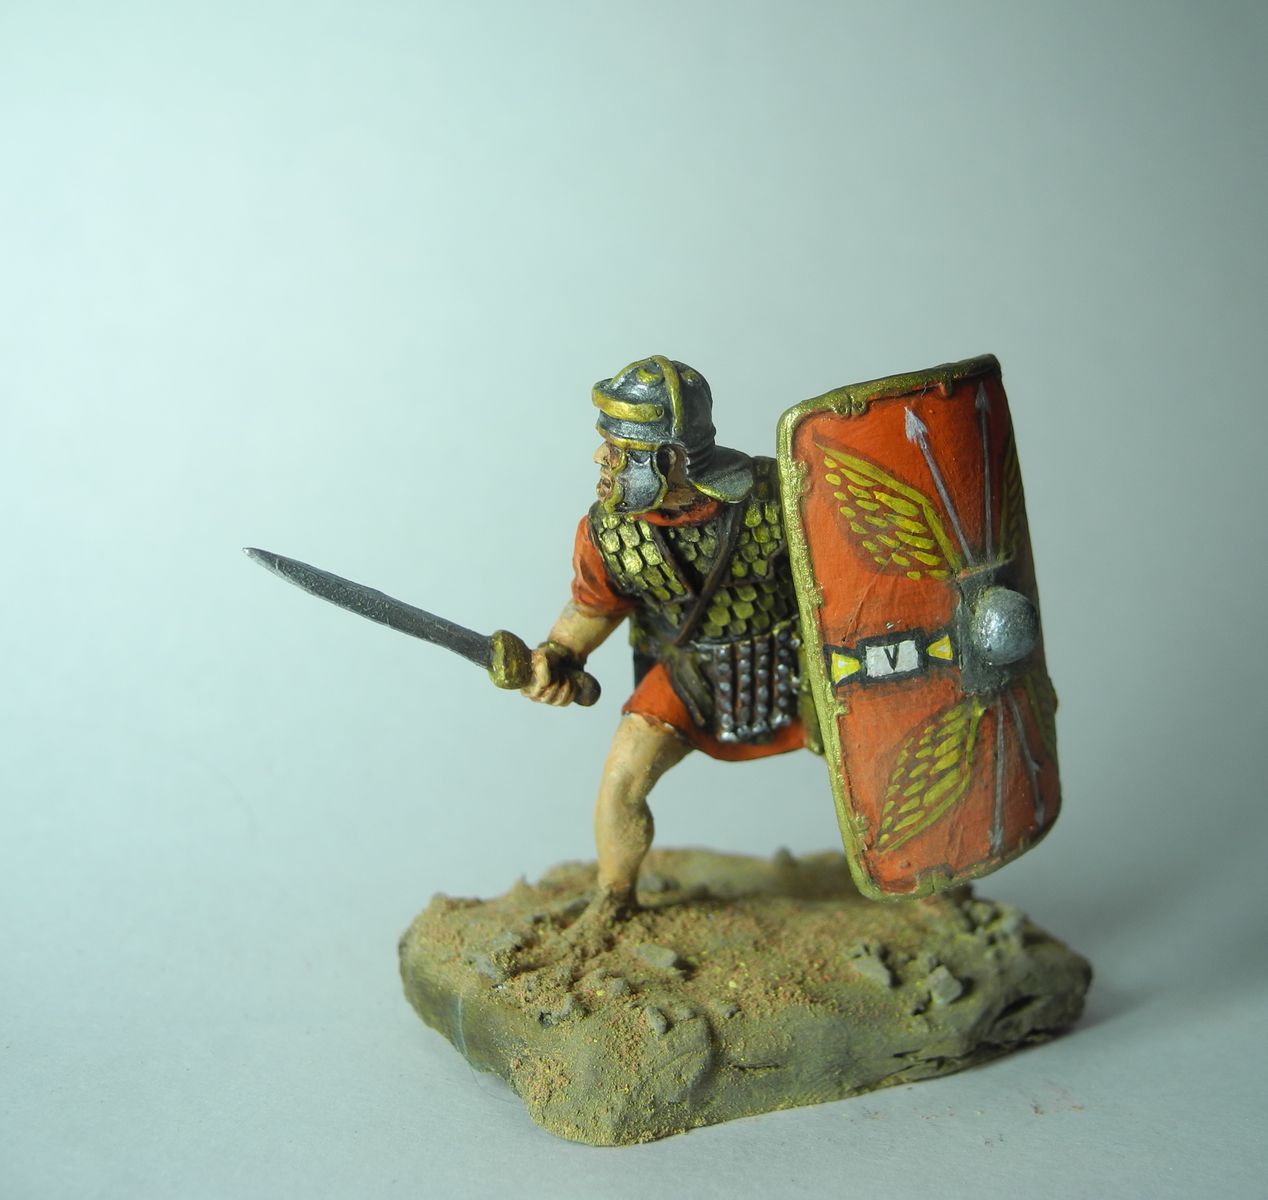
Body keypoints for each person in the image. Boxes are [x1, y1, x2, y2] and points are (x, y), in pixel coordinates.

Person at [523, 356, 812, 922]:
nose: (600, 459)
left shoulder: (780, 496)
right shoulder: (608, 532)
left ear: (670, 458)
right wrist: (559, 653)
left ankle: (921, 872)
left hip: (796, 662)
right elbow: (594, 606)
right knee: (622, 779)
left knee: (877, 751)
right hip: (688, 671)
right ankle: (614, 898)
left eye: (619, 449)